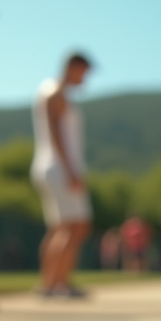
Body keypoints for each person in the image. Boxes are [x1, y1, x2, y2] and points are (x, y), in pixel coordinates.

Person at [31, 52, 94, 298]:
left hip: (51, 166)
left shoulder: (49, 91)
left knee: (60, 227)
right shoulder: (55, 92)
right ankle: (58, 283)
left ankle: (50, 283)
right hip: (59, 167)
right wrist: (70, 169)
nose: (85, 78)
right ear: (73, 67)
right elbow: (56, 132)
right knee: (74, 226)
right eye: (84, 72)